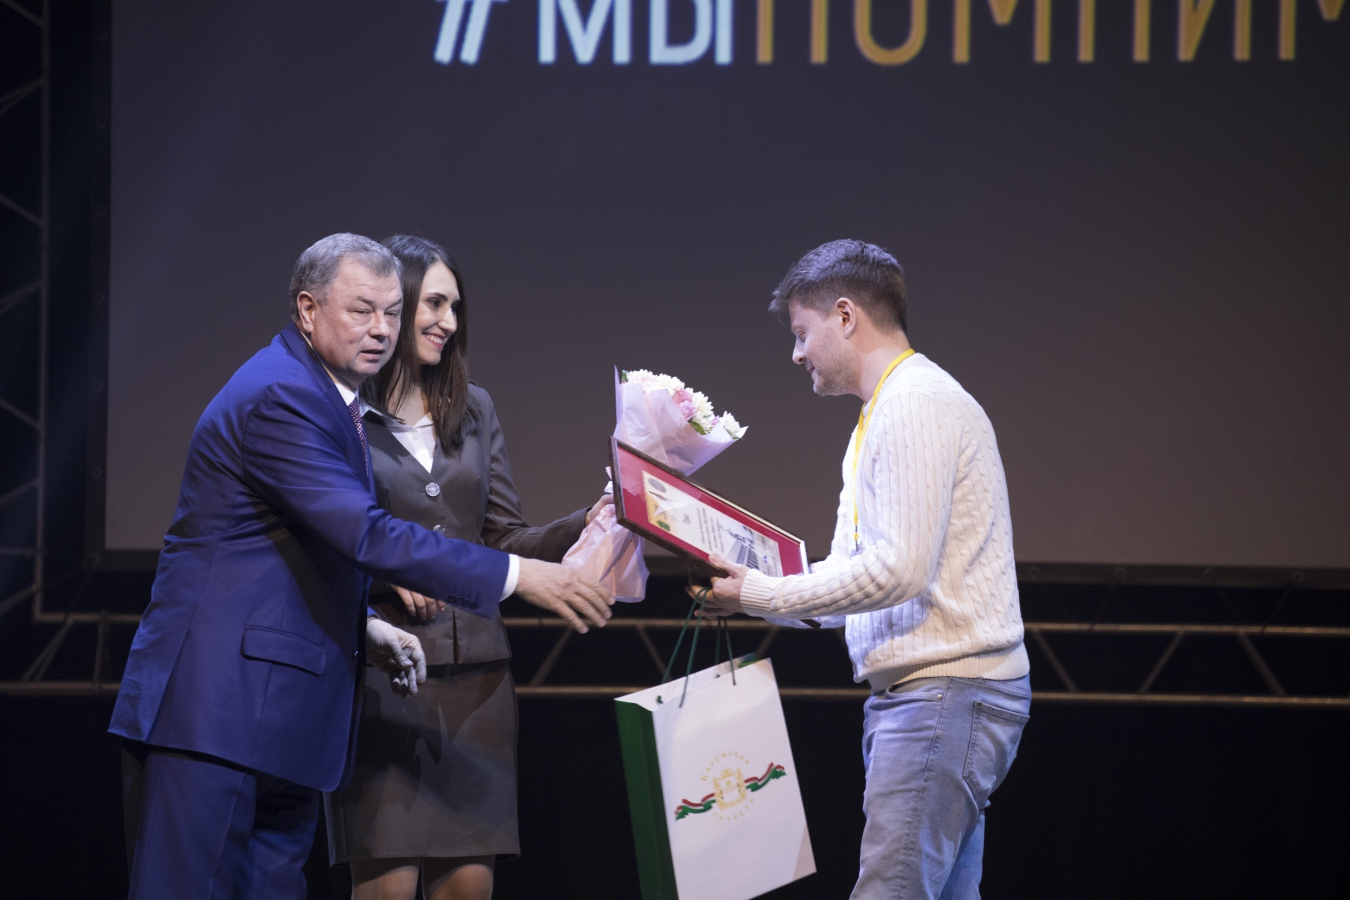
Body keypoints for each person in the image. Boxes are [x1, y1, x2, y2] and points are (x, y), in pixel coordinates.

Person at [110, 233, 613, 900]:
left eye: (391, 312)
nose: (381, 329)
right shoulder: (282, 395)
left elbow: (298, 550)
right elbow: (364, 534)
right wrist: (519, 576)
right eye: (361, 311)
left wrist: (366, 629)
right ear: (308, 310)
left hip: (286, 720)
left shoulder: (332, 400)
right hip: (218, 713)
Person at [697, 240, 1030, 899]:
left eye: (802, 333)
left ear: (845, 316)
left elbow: (897, 572)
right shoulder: (885, 410)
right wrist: (752, 595)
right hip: (937, 695)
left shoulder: (914, 403)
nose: (796, 354)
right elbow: (860, 576)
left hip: (943, 694)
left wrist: (763, 590)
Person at [323, 236, 610, 900]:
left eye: (454, 307)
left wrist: (587, 520)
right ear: (394, 307)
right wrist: (383, 577)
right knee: (387, 888)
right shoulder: (342, 416)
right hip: (384, 680)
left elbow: (503, 539)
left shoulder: (474, 408)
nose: (448, 321)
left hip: (478, 683)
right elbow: (326, 544)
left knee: (468, 888)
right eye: (433, 303)